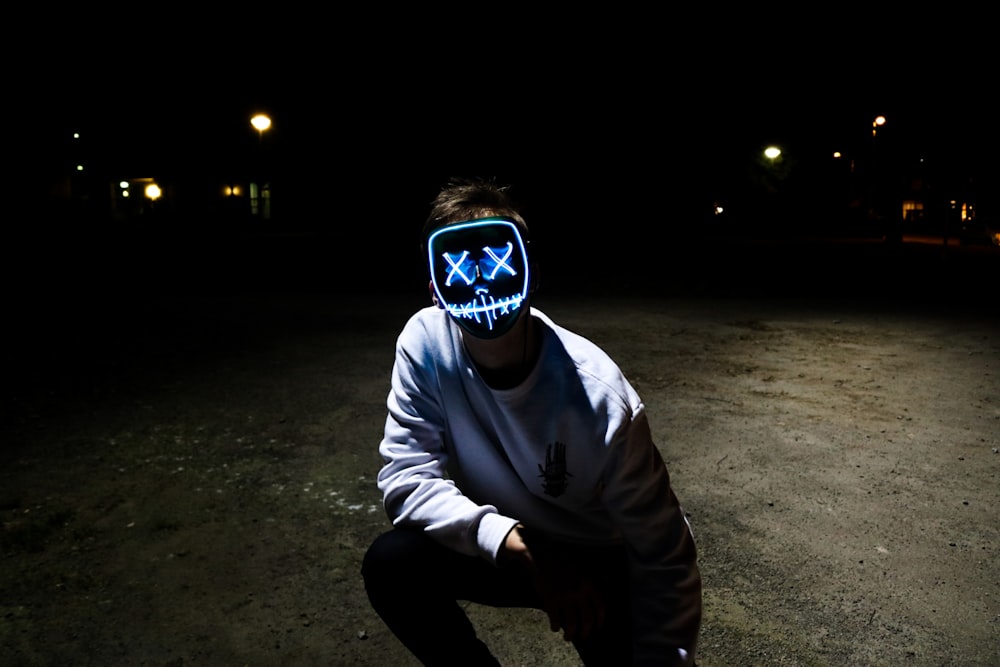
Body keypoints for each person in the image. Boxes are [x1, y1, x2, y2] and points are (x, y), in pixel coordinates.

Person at [361, 177, 702, 666]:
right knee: (394, 565)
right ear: (434, 287)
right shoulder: (425, 343)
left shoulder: (598, 394)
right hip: (513, 543)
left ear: (532, 275)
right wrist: (513, 541)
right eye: (459, 263)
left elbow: (664, 551)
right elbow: (406, 477)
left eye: (497, 261)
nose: (479, 280)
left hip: (599, 559)